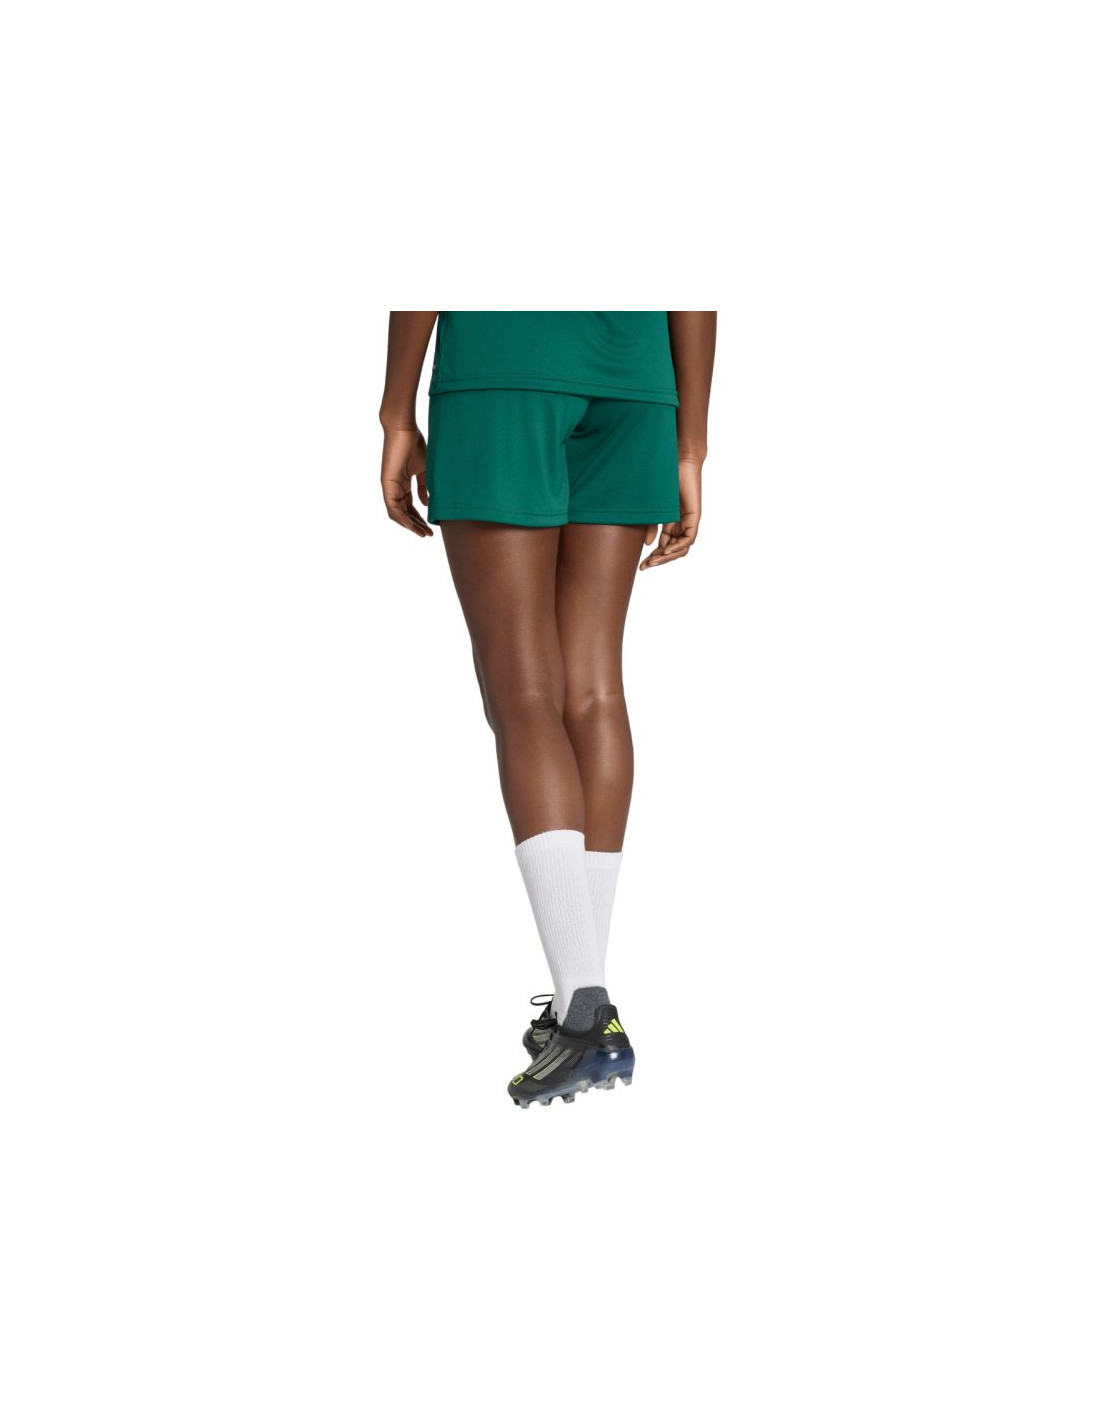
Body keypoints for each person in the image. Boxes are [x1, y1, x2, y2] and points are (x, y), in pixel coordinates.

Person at [379, 312, 717, 1108]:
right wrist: (691, 445)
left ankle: (586, 1010)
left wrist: (396, 413)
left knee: (523, 688)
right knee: (594, 687)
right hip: (636, 382)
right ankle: (580, 1005)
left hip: (504, 369)